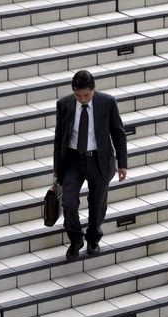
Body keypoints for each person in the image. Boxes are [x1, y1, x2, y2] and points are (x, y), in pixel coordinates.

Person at [53, 70, 128, 260]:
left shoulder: (107, 103)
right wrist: (57, 167)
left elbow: (118, 133)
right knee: (69, 203)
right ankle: (75, 239)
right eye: (78, 95)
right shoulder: (64, 104)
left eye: (86, 95)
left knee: (97, 204)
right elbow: (59, 137)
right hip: (72, 160)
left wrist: (122, 163)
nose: (82, 99)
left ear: (93, 90)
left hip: (99, 160)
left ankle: (93, 238)